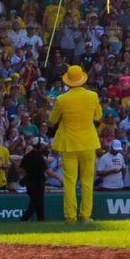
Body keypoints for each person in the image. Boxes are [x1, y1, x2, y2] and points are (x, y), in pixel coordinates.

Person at [50, 64, 102, 223]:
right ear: (82, 79)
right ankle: (85, 216)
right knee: (87, 182)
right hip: (88, 144)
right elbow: (97, 117)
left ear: (68, 81)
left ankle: (70, 217)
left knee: (70, 183)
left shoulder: (61, 99)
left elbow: (52, 120)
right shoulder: (92, 96)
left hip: (69, 145)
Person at [19, 139, 50, 221]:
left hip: (29, 182)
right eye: (42, 145)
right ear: (37, 146)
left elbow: (21, 169)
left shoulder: (27, 156)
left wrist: (29, 172)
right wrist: (59, 178)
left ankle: (41, 219)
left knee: (38, 202)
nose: (43, 147)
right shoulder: (39, 158)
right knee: (36, 203)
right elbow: (47, 170)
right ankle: (24, 219)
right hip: (38, 183)